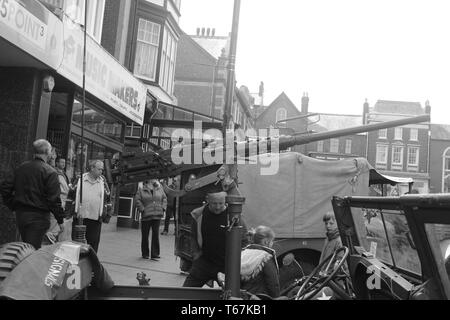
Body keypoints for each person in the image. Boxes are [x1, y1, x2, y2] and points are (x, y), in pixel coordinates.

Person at [0, 139, 65, 250]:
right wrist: (60, 220)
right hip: (39, 216)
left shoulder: (21, 168)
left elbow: (5, 187)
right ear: (48, 153)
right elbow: (54, 199)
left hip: (22, 215)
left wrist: (13, 205)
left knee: (27, 247)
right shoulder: (50, 172)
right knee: (32, 250)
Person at [182, 191, 249, 288]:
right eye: (214, 203)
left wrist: (237, 261)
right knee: (186, 291)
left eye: (221, 203)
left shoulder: (234, 216)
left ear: (225, 201)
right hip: (205, 262)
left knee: (235, 293)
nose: (218, 207)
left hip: (227, 264)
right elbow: (193, 236)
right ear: (208, 200)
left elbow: (244, 241)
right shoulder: (198, 214)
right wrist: (196, 255)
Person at [73, 160, 109, 253]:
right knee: (77, 244)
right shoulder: (80, 178)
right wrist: (69, 213)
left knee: (93, 246)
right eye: (99, 169)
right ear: (92, 168)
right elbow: (71, 194)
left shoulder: (103, 181)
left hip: (95, 219)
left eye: (102, 169)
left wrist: (106, 215)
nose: (101, 171)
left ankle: (92, 265)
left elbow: (108, 197)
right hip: (80, 218)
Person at [240, 226, 281, 298]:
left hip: (241, 296)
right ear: (266, 242)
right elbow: (273, 284)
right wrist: (276, 297)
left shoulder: (243, 253)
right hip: (258, 297)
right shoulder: (265, 257)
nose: (272, 244)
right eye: (272, 241)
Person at [135, 179, 167, 260]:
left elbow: (164, 198)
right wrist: (142, 209)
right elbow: (137, 200)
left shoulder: (159, 188)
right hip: (146, 216)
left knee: (155, 234)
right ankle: (145, 253)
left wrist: (163, 208)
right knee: (145, 235)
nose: (154, 179)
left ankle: (155, 254)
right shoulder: (142, 189)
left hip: (157, 215)